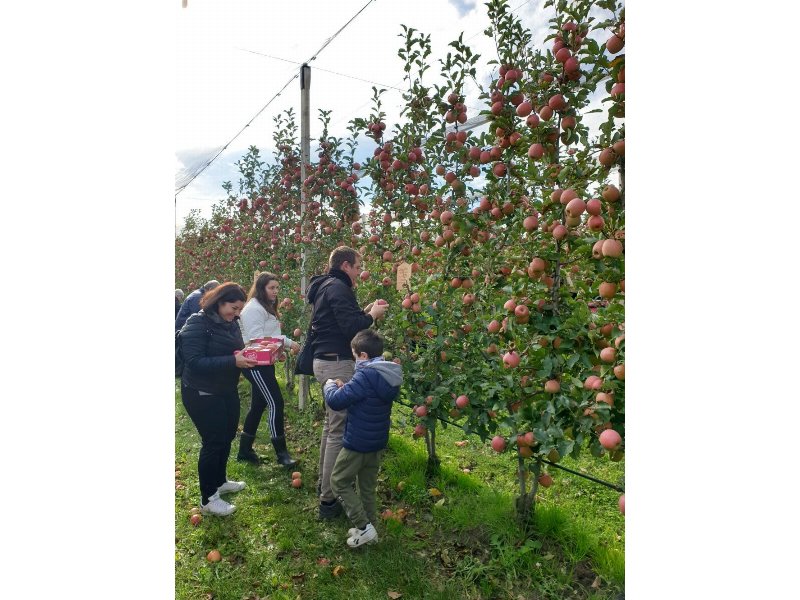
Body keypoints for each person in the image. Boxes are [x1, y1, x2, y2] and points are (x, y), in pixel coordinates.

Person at [306, 246, 389, 519]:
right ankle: (329, 500)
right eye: (356, 267)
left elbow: (341, 320)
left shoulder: (326, 287)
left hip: (325, 360)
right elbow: (351, 328)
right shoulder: (338, 288)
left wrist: (364, 312)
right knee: (339, 430)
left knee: (331, 428)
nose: (358, 272)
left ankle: (324, 486)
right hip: (338, 362)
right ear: (345, 266)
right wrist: (372, 317)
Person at [179, 282, 257, 516]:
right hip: (201, 391)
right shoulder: (197, 323)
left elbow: (235, 351)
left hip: (225, 388)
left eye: (239, 310)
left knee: (227, 435)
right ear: (219, 301)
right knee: (213, 441)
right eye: (232, 308)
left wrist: (256, 355)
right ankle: (208, 498)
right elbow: (194, 362)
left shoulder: (230, 323)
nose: (236, 314)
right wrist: (233, 362)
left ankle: (220, 481)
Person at [324, 329, 402, 548]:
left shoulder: (365, 374)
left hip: (358, 442)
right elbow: (361, 394)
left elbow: (337, 401)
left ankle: (363, 525)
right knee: (366, 487)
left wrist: (329, 384)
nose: (354, 359)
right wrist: (347, 387)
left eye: (354, 355)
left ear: (364, 356)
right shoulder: (387, 373)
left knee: (338, 481)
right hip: (376, 441)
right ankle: (370, 529)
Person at [237, 272, 301, 467]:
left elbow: (269, 336)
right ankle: (282, 454)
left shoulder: (264, 307)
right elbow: (257, 340)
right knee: (276, 402)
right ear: (261, 289)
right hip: (255, 363)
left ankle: (244, 450)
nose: (275, 291)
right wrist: (287, 343)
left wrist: (277, 351)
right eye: (271, 288)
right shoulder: (253, 309)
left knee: (258, 405)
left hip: (264, 362)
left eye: (276, 288)